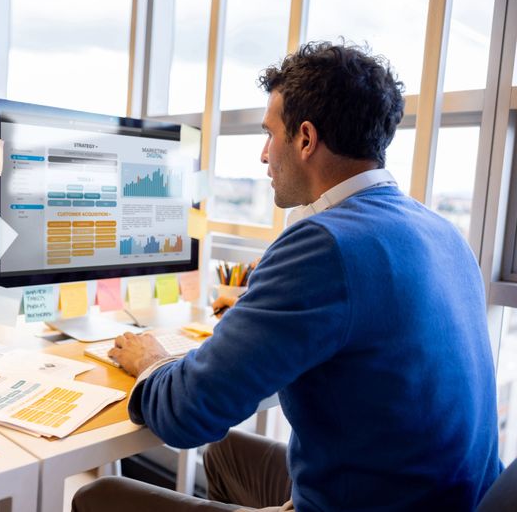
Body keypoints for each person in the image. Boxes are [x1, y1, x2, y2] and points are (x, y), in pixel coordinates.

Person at [72, 42, 502, 511]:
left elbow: (188, 415)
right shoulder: (440, 230)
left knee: (99, 496)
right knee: (226, 457)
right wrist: (260, 321)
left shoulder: (324, 244)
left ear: (305, 138)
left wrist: (150, 360)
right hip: (448, 497)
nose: (262, 155)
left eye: (269, 134)